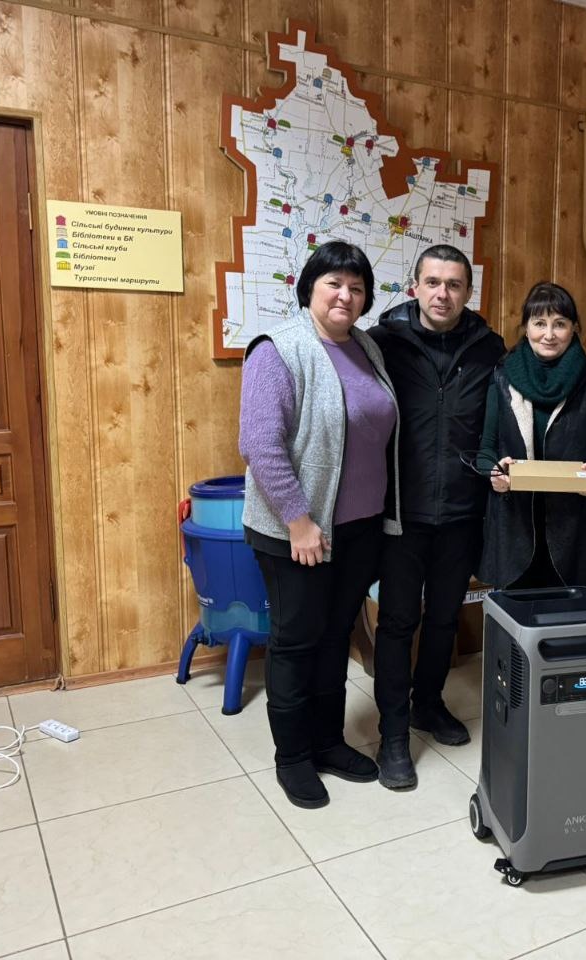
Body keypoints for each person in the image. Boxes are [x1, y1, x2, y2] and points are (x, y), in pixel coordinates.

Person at [239, 240, 401, 810]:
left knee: (336, 638)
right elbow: (261, 444)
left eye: (356, 288)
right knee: (296, 641)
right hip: (297, 532)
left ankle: (328, 742)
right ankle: (293, 758)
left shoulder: (365, 348)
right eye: (334, 283)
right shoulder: (278, 349)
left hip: (357, 528)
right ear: (309, 287)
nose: (345, 296)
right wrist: (299, 521)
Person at [367, 244, 505, 789]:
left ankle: (428, 702)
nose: (442, 294)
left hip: (464, 512)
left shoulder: (489, 347)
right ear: (414, 287)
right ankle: (393, 733)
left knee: (446, 618)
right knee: (399, 622)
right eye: (432, 282)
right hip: (401, 513)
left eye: (453, 284)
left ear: (468, 292)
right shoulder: (382, 344)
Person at [478, 281, 586, 590]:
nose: (549, 334)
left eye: (560, 324)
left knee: (570, 615)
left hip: (575, 531)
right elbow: (486, 448)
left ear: (574, 328)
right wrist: (494, 472)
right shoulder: (502, 376)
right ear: (526, 328)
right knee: (514, 617)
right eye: (540, 323)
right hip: (514, 528)